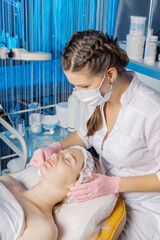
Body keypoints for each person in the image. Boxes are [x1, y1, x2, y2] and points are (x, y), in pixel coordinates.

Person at [30, 29, 160, 239]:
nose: (79, 92)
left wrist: (115, 184)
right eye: (74, 86)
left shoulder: (151, 111)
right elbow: (85, 135)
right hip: (104, 197)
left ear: (110, 75)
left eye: (83, 86)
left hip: (144, 208)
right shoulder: (100, 96)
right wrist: (56, 146)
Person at [0, 146, 102, 240]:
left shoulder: (43, 228)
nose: (54, 155)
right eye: (59, 152)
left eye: (67, 160)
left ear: (77, 185)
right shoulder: (9, 181)